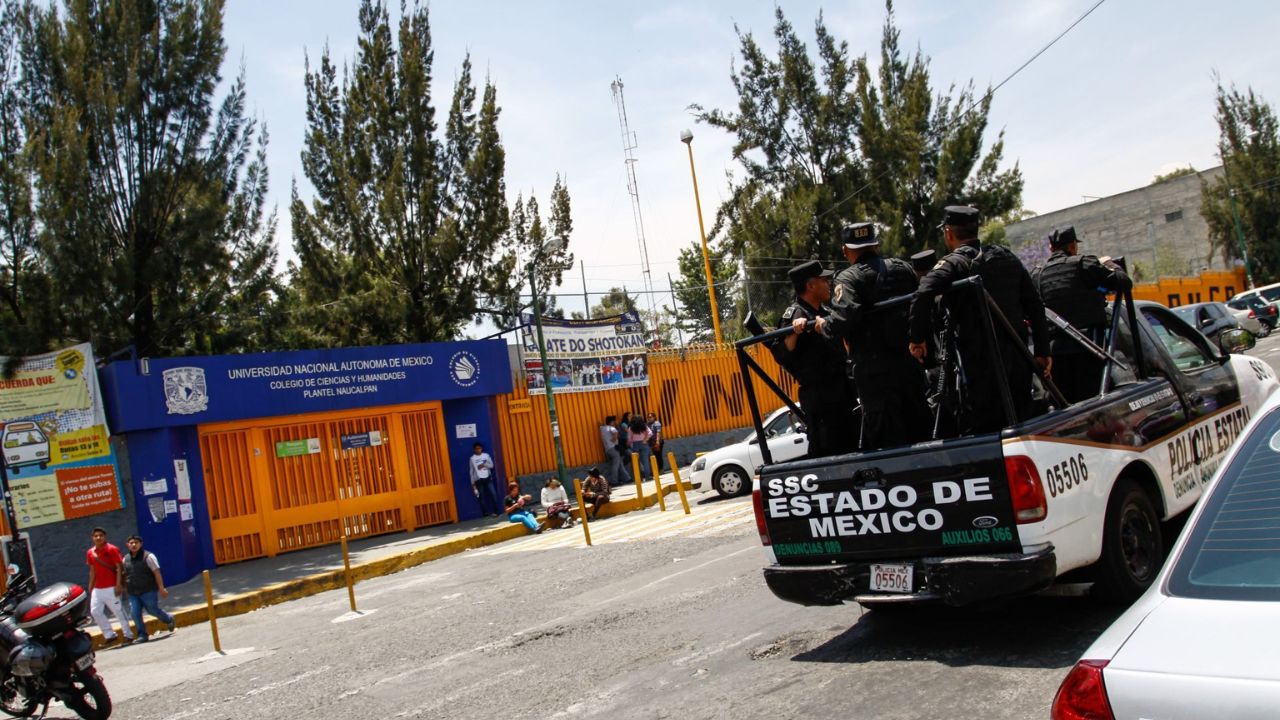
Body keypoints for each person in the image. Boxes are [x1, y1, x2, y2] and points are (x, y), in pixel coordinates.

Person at [908, 205, 1052, 433]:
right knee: (1023, 423)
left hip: (980, 366)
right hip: (1018, 359)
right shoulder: (1006, 257)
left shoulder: (955, 263)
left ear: (948, 233)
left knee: (988, 430)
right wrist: (1043, 351)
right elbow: (1035, 305)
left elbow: (923, 292)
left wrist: (917, 339)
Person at [820, 222, 931, 450]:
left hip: (875, 376)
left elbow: (844, 316)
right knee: (922, 433)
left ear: (845, 250)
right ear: (876, 245)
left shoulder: (848, 278)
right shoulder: (902, 268)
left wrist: (824, 325)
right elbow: (921, 305)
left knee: (888, 442)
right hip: (910, 366)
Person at [1032, 226, 1133, 403]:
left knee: (1067, 406)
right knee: (1093, 403)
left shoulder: (1038, 275)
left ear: (1051, 249)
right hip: (1089, 349)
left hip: (1056, 355)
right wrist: (1110, 265)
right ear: (1072, 246)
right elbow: (1124, 283)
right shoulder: (1084, 264)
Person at [769, 260, 857, 457]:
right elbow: (781, 353)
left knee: (851, 442)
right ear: (810, 286)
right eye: (824, 280)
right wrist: (794, 332)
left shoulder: (825, 312)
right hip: (820, 396)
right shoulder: (796, 313)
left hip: (842, 389)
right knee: (826, 448)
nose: (829, 284)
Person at [86, 527, 135, 646]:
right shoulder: (90, 553)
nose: (98, 538)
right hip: (98, 588)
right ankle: (109, 635)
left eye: (101, 535)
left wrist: (118, 585)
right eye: (96, 536)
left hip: (111, 587)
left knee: (118, 612)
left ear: (105, 537)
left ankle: (128, 635)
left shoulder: (112, 549)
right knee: (95, 611)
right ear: (92, 538)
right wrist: (90, 586)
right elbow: (92, 570)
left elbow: (119, 567)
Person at [122, 535, 176, 643]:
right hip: (133, 592)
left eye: (136, 542)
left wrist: (161, 588)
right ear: (127, 545)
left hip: (148, 590)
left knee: (152, 610)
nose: (133, 545)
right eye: (131, 543)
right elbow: (125, 574)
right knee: (134, 612)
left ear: (141, 544)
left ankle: (169, 619)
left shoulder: (148, 556)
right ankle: (142, 635)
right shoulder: (125, 559)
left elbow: (157, 572)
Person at [469, 442, 500, 517]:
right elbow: (471, 471)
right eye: (476, 448)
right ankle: (485, 513)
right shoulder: (472, 458)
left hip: (488, 478)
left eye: (479, 448)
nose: (478, 450)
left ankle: (496, 511)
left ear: (481, 449)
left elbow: (491, 466)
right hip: (478, 480)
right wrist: (472, 483)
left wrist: (483, 464)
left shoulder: (486, 456)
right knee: (481, 497)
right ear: (474, 449)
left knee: (493, 494)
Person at [600, 416, 631, 487]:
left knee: (619, 463)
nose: (616, 423)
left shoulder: (602, 428)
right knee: (616, 465)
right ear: (612, 422)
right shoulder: (612, 428)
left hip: (607, 449)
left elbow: (601, 426)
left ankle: (627, 478)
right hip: (613, 448)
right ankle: (614, 481)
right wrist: (614, 439)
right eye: (614, 421)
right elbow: (615, 432)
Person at [628, 415, 653, 480]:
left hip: (635, 445)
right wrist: (645, 440)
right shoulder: (644, 426)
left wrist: (630, 445)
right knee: (645, 461)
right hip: (644, 443)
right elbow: (650, 433)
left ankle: (639, 478)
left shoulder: (631, 428)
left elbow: (629, 439)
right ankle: (648, 477)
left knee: (636, 462)